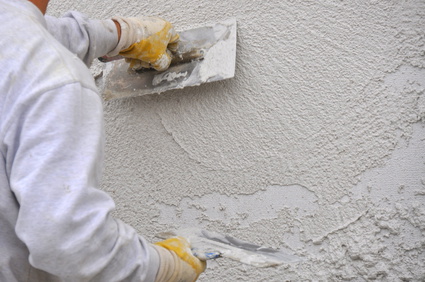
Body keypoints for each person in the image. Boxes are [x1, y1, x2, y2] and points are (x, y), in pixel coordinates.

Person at [0, 0, 206, 281]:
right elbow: (67, 241)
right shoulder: (55, 79)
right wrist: (161, 268)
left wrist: (124, 34)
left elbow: (22, 32)